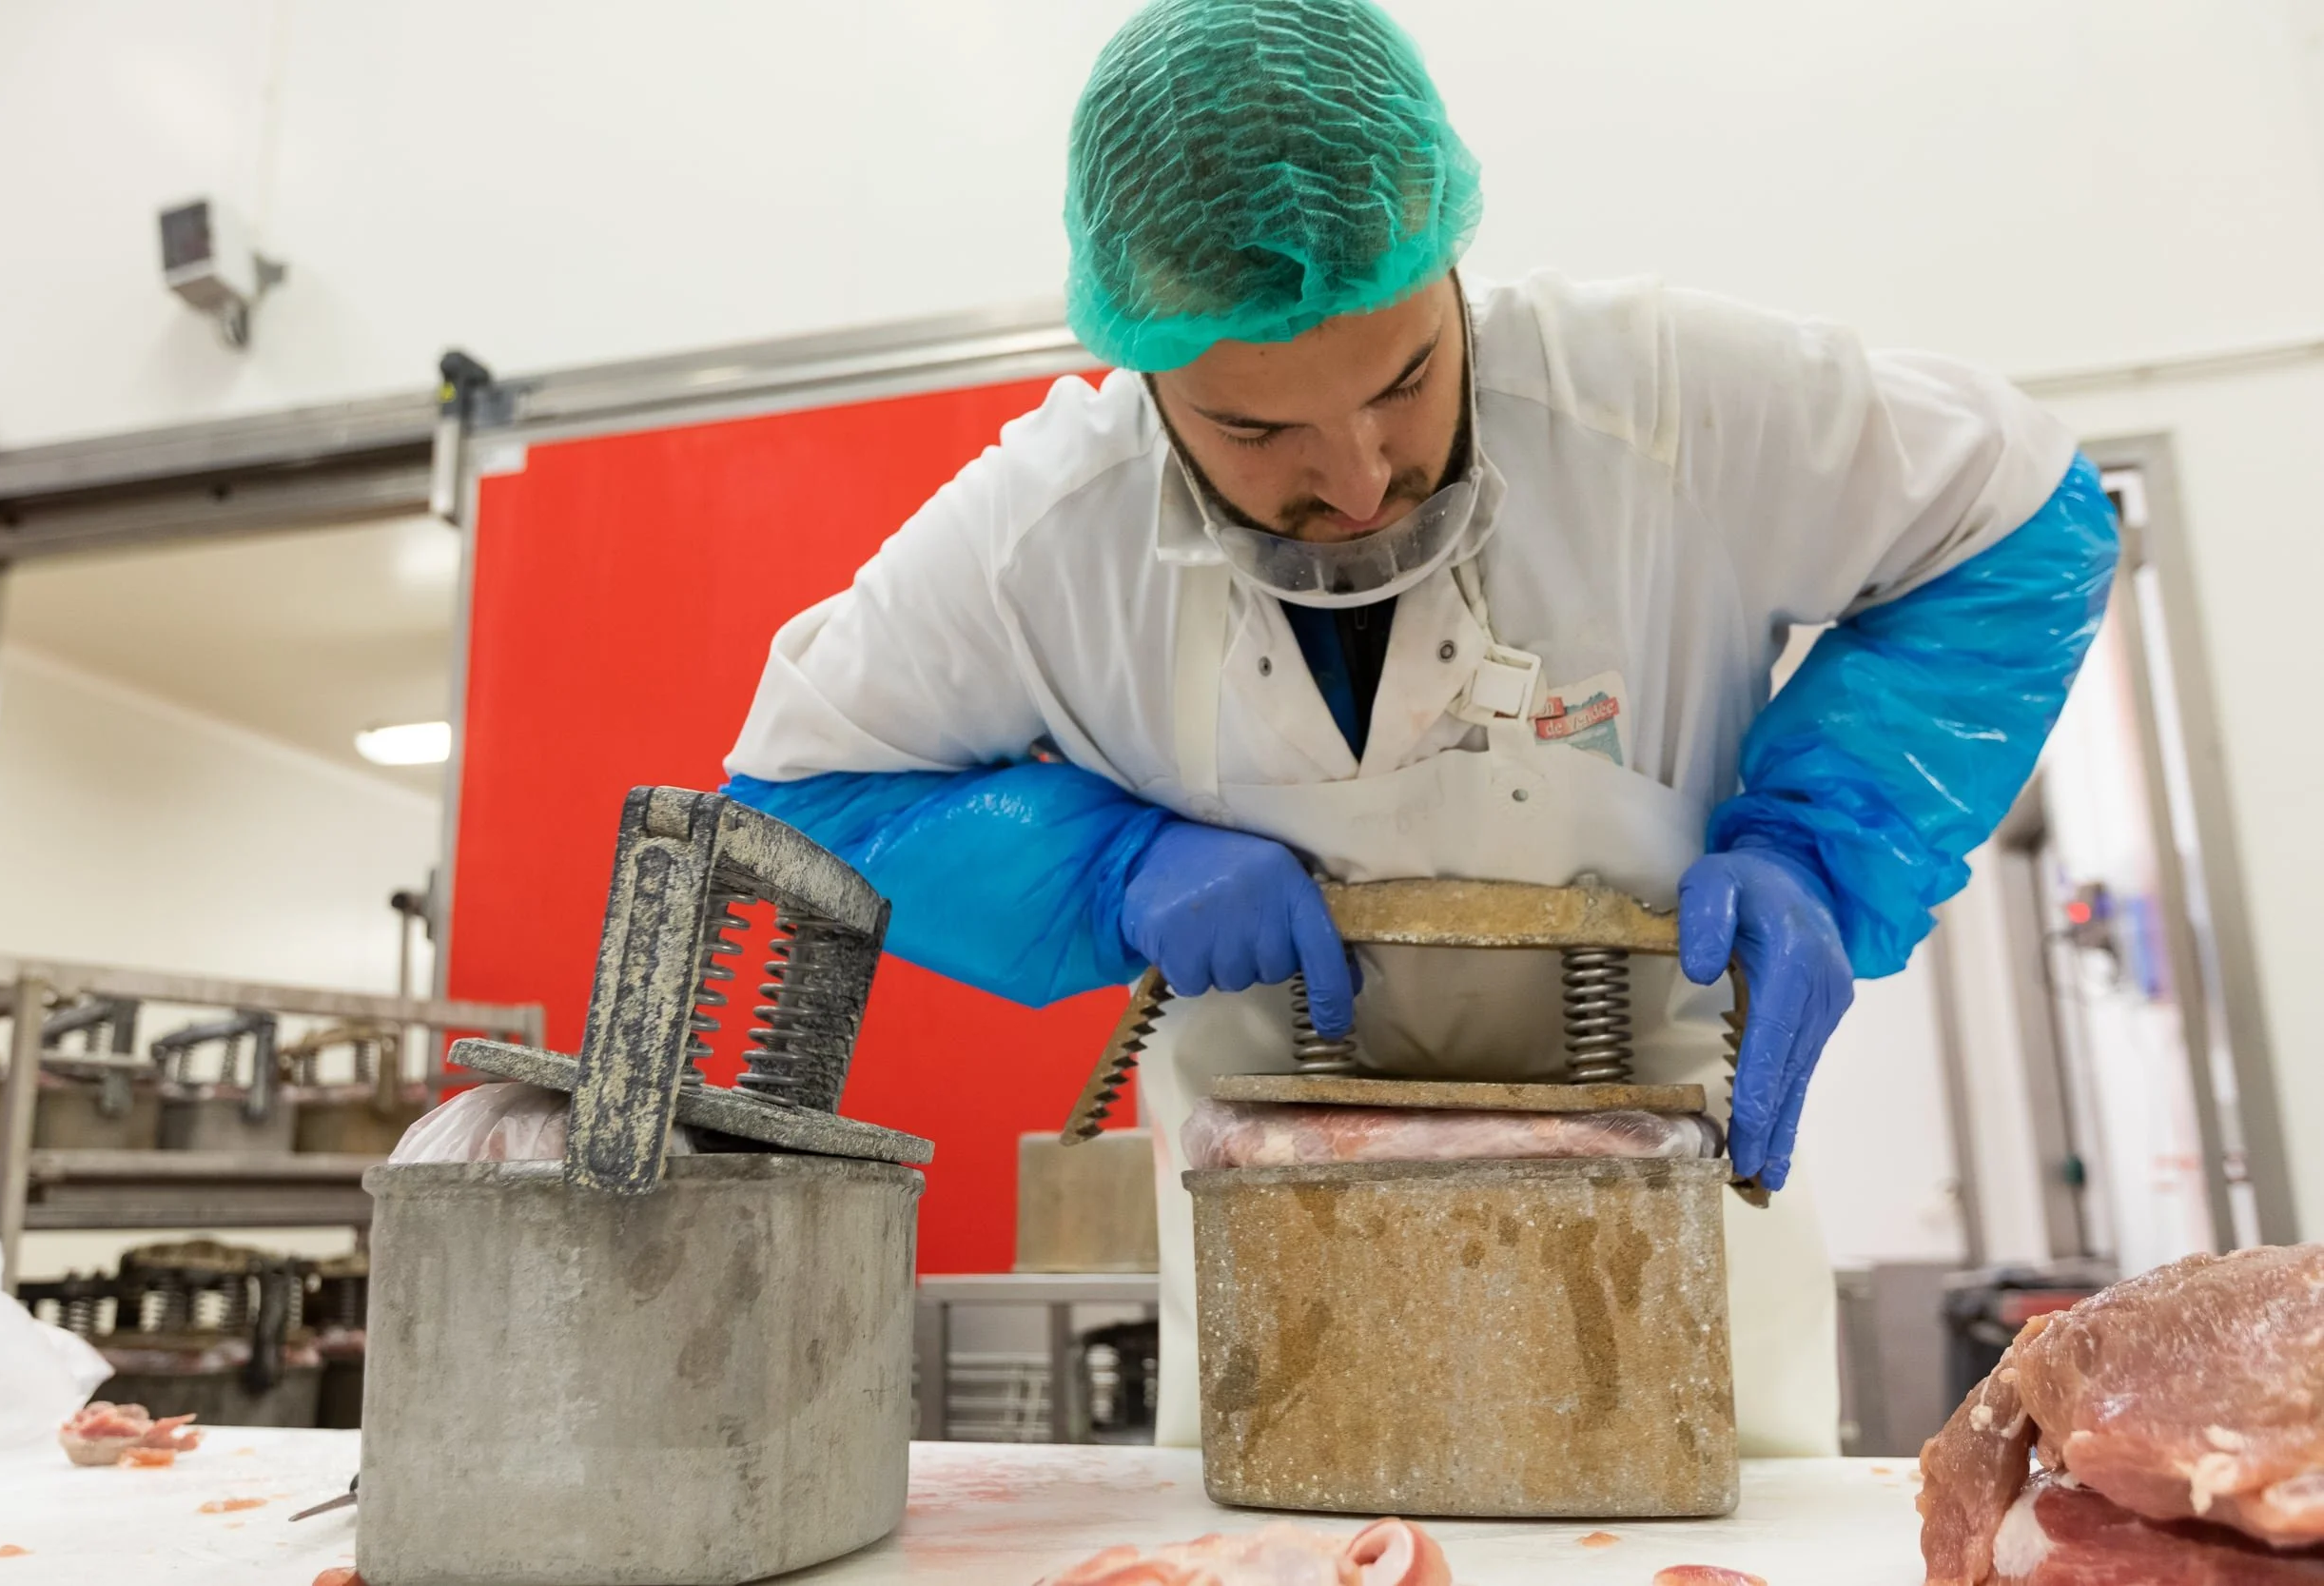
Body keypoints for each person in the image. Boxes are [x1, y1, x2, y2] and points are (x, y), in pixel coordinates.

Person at [723, 0, 2118, 1455]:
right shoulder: (1048, 534)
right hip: (1290, 1290)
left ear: (1451, 266)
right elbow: (798, 791)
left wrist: (1823, 841)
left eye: (1403, 380)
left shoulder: (1656, 400)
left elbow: (2019, 514)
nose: (1361, 476)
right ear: (1147, 374)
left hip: (1679, 1226)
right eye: (1255, 431)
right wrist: (1106, 868)